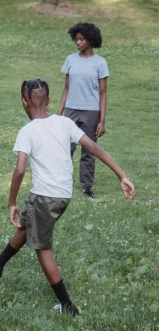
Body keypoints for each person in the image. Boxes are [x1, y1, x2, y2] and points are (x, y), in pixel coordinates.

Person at [0, 79, 135, 316]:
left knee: (43, 248)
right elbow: (93, 147)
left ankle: (68, 306)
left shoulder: (27, 131)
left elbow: (20, 170)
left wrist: (11, 202)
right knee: (28, 224)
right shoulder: (64, 122)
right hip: (63, 195)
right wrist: (121, 175)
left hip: (44, 196)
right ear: (49, 101)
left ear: (24, 102)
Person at [58, 22, 108, 199]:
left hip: (91, 112)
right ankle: (61, 182)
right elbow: (66, 88)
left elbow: (103, 93)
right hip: (71, 110)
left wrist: (102, 120)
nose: (78, 42)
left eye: (82, 39)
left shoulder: (100, 63)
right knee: (66, 147)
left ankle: (87, 187)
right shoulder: (71, 59)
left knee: (89, 150)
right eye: (76, 39)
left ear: (91, 40)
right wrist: (59, 112)